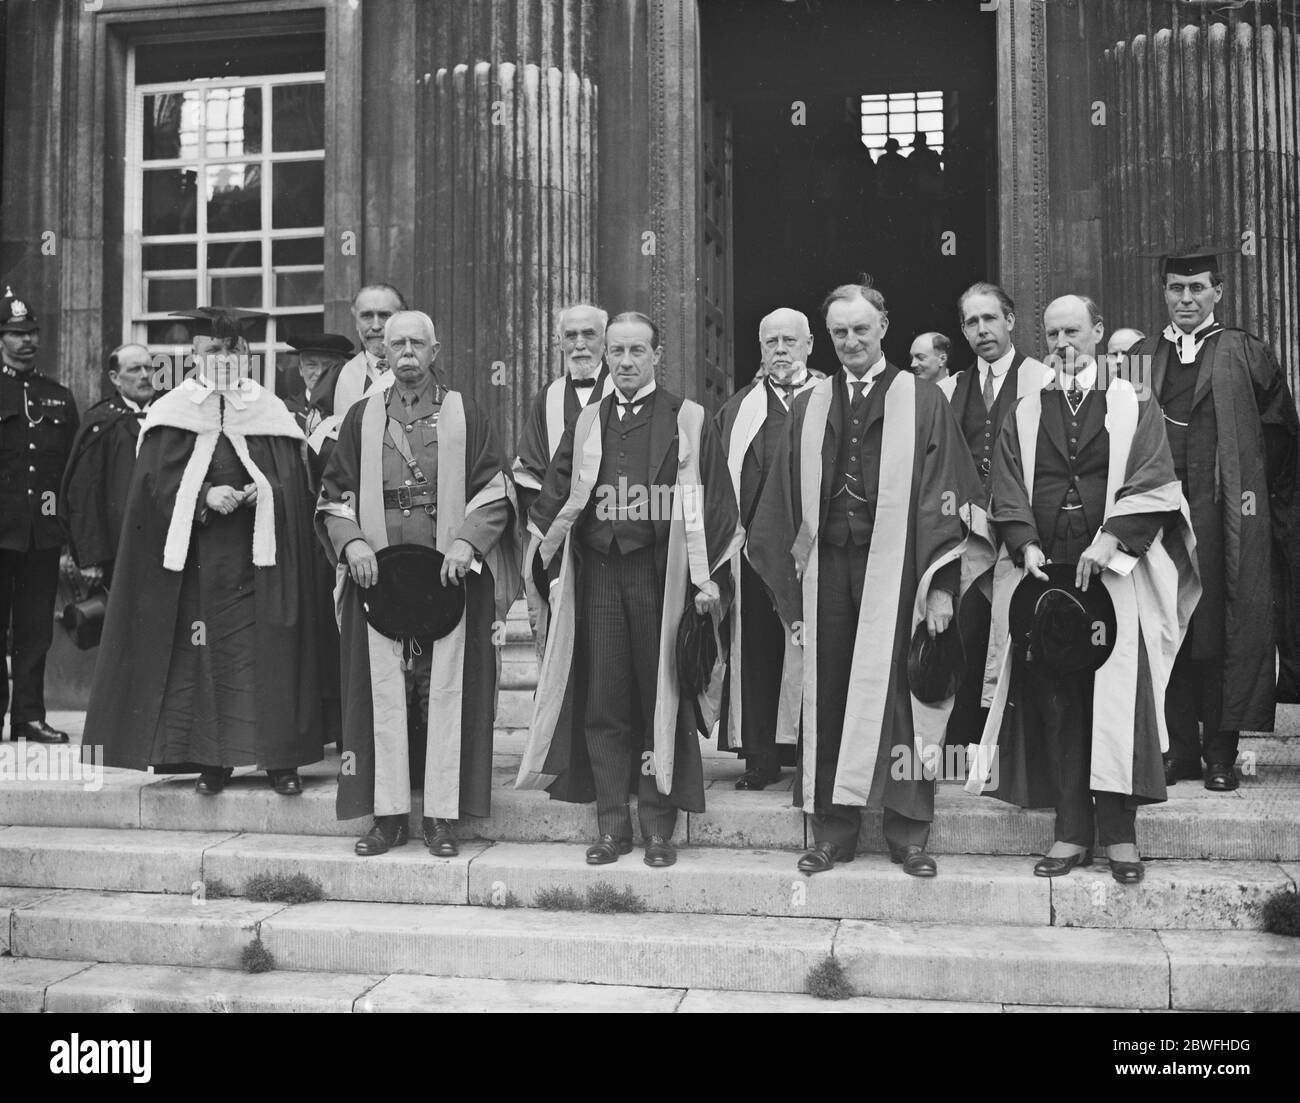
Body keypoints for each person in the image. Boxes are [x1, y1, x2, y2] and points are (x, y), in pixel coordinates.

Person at [748, 280, 992, 878]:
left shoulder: (923, 398)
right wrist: (793, 582)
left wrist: (940, 584)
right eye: (839, 332)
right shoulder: (811, 403)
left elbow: (948, 491)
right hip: (827, 570)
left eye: (861, 329)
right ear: (827, 338)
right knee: (828, 693)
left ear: (884, 327)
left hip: (901, 569)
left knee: (903, 699)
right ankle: (835, 830)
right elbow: (781, 501)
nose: (851, 341)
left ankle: (908, 833)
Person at [970, 294, 1199, 884]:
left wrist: (1113, 541)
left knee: (1115, 702)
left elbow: (1156, 478)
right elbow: (1008, 487)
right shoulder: (1026, 406)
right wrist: (1023, 544)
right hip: (1047, 572)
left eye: (1074, 331)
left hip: (1112, 571)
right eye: (1052, 334)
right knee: (1056, 701)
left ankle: (1120, 836)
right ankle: (1071, 831)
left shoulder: (1130, 400)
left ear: (1098, 331)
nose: (1062, 343)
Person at [516, 312, 741, 869]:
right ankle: (612, 825)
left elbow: (712, 501)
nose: (625, 361)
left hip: (659, 574)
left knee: (658, 696)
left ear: (657, 356)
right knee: (605, 700)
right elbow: (558, 490)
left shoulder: (687, 419)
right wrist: (542, 565)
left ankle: (659, 827)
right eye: (616, 351)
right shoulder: (588, 421)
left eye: (637, 351)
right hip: (598, 573)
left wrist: (707, 577)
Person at [84, 307, 325, 795]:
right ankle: (212, 762)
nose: (224, 357)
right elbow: (151, 491)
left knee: (268, 654)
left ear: (248, 354)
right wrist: (202, 496)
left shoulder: (270, 410)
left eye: (233, 349)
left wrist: (267, 491)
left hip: (263, 561)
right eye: (213, 349)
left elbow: (296, 486)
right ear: (194, 356)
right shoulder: (172, 410)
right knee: (206, 660)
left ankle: (281, 762)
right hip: (197, 565)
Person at [317, 310, 520, 857]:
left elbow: (495, 487)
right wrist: (352, 541)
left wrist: (468, 541)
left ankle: (439, 818)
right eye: (395, 342)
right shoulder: (360, 419)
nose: (405, 351)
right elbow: (333, 494)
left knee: (442, 693)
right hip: (380, 577)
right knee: (384, 696)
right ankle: (387, 818)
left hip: (446, 577)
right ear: (381, 351)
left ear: (434, 351)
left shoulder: (464, 412)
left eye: (417, 343)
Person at [1129, 249, 1299, 789]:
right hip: (1157, 517)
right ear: (1163, 292)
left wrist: (1257, 503)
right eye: (1176, 288)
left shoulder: (1245, 351)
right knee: (1167, 627)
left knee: (1220, 630)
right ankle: (1179, 751)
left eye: (1197, 288)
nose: (1186, 298)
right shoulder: (1138, 355)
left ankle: (1220, 755)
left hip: (1223, 516)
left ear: (1218, 292)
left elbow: (1280, 436)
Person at [940, 282, 1053, 752]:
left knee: (1015, 633)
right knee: (966, 632)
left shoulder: (1043, 380)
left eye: (990, 318)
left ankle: (1013, 750)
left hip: (1023, 529)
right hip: (966, 534)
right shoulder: (948, 390)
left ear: (1010, 321)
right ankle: (962, 744)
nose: (982, 329)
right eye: (971, 321)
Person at [714, 307, 816, 790]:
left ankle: (810, 749)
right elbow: (716, 485)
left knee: (812, 650)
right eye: (771, 341)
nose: (780, 350)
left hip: (815, 549)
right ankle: (761, 755)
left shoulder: (830, 399)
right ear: (760, 349)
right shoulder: (737, 410)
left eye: (789, 341)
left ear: (809, 345)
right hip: (753, 553)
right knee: (758, 650)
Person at [0, 289, 79, 744]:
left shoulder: (57, 397)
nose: (26, 341)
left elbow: (68, 470)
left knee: (34, 629)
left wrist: (68, 534)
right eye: (16, 333)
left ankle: (28, 716)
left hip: (41, 535)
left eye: (31, 332)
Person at [512, 304, 613, 648]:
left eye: (589, 334)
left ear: (605, 340)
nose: (580, 344)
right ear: (558, 341)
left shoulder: (627, 391)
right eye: (571, 335)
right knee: (563, 646)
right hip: (562, 543)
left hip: (616, 537)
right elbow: (529, 473)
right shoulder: (548, 398)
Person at [61, 343, 156, 590]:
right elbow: (84, 495)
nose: (145, 375)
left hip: (164, 546)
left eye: (149, 367)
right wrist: (91, 557)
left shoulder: (170, 416)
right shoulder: (101, 422)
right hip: (117, 549)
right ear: (115, 378)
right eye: (135, 369)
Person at [306, 284, 404, 463]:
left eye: (384, 315)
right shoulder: (334, 379)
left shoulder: (424, 376)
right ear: (356, 321)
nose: (375, 326)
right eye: (366, 316)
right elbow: (318, 445)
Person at [284, 331, 353, 448]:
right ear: (300, 369)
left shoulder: (352, 411)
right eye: (311, 365)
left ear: (340, 369)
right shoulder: (285, 413)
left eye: (328, 365)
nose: (320, 372)